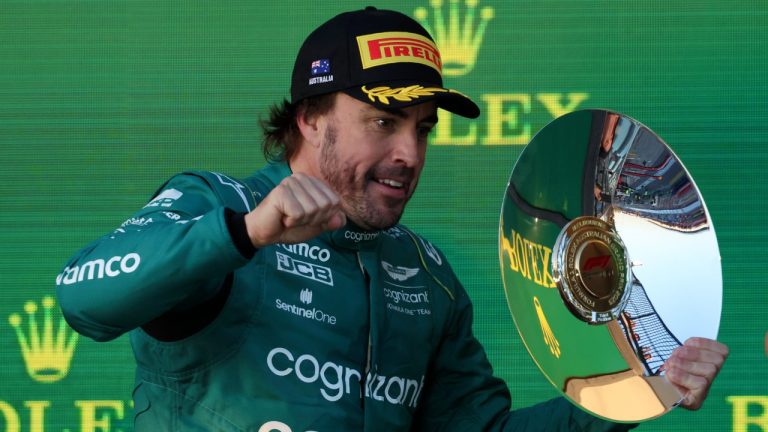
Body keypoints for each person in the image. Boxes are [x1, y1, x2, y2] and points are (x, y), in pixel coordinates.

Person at [55, 6, 728, 431]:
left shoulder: (426, 274)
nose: (409, 153)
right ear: (310, 119)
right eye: (383, 121)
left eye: (422, 128)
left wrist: (641, 393)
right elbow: (83, 296)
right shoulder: (220, 205)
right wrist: (243, 234)